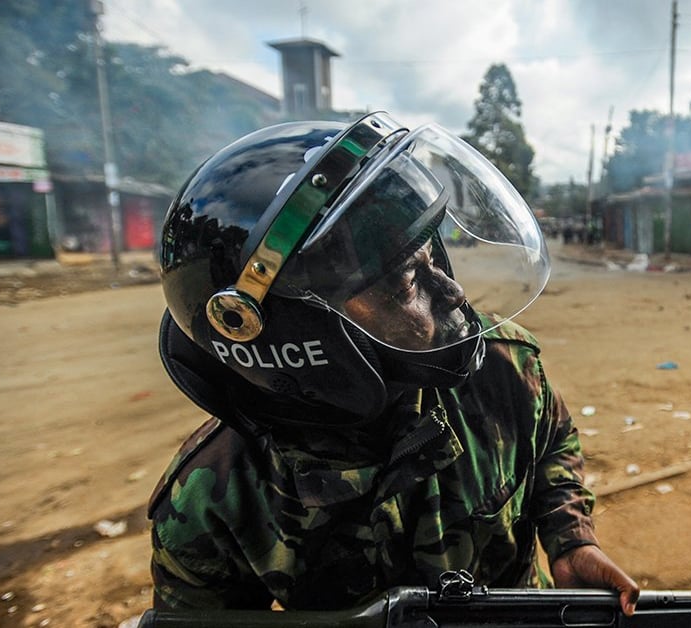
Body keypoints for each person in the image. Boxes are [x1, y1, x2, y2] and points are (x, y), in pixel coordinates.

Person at [148, 112, 639, 615]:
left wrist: (570, 537)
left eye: (432, 256)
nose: (453, 294)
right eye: (406, 281)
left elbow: (551, 436)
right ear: (304, 340)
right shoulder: (211, 499)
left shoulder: (499, 365)